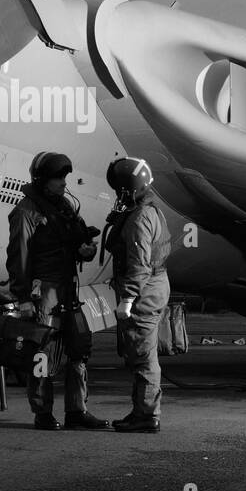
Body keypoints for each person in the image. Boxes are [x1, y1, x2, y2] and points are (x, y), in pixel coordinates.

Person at [6, 151, 107, 431]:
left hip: (67, 288)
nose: (64, 183)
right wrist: (23, 298)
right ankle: (43, 413)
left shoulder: (65, 207)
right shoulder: (27, 212)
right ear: (42, 181)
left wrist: (86, 251)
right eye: (57, 178)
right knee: (42, 350)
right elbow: (19, 258)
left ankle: (77, 411)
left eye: (64, 177)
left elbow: (77, 242)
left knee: (78, 349)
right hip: (44, 292)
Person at [104, 158, 172, 433]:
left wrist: (128, 299)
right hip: (155, 286)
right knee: (143, 354)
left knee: (144, 357)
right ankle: (142, 411)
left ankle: (147, 416)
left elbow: (139, 264)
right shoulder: (148, 208)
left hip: (144, 292)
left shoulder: (140, 218)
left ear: (127, 189)